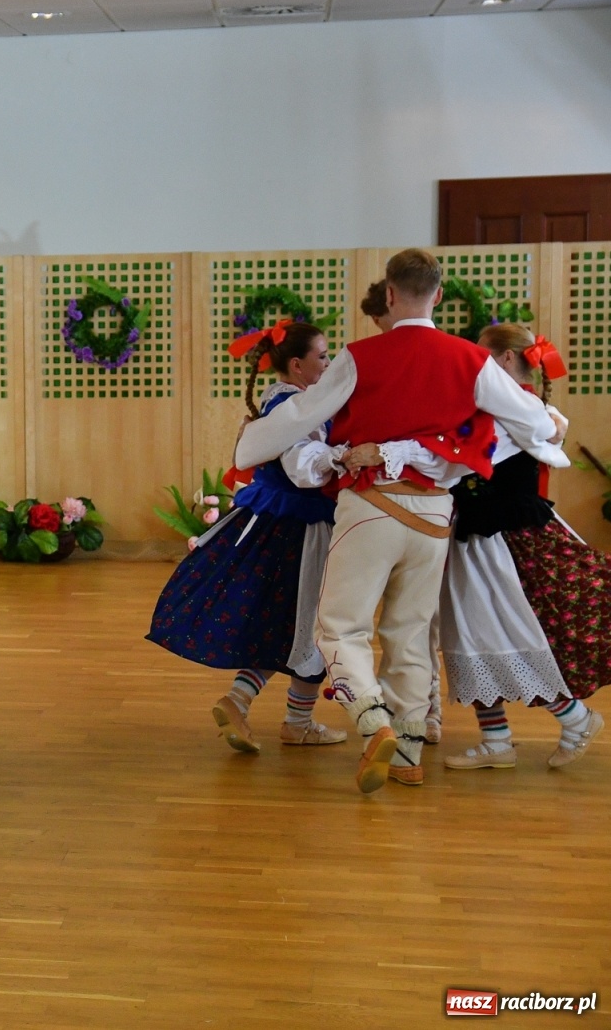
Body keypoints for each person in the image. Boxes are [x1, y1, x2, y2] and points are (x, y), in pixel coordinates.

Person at [235, 251, 568, 794]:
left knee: (341, 628)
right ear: (437, 295)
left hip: (371, 505)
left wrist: (252, 446)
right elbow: (533, 419)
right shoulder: (472, 360)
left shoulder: (360, 356)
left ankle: (375, 722)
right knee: (410, 635)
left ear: (389, 294)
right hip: (436, 515)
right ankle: (408, 754)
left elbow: (301, 413)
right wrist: (549, 430)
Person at [148, 321, 348, 752]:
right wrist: (347, 457)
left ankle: (240, 700)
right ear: (297, 365)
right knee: (311, 622)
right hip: (302, 527)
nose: (329, 363)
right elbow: (304, 470)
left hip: (276, 523)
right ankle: (297, 721)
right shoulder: (293, 409)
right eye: (323, 356)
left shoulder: (283, 400)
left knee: (285, 622)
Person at [435, 323, 603, 769]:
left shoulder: (516, 409)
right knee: (473, 630)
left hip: (500, 536)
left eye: (481, 359)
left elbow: (464, 460)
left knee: (496, 629)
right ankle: (498, 739)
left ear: (505, 359)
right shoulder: (526, 407)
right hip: (488, 532)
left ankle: (571, 717)